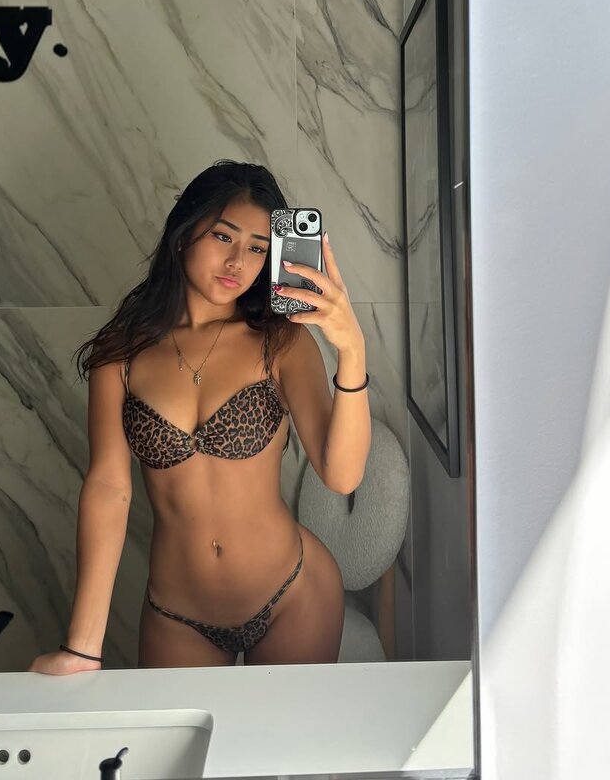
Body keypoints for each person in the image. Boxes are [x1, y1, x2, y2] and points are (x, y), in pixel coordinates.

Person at [29, 160, 372, 672]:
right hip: (178, 616)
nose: (237, 261)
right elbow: (108, 488)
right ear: (183, 233)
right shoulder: (120, 354)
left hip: (292, 594)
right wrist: (82, 647)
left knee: (283, 730)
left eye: (257, 248)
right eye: (223, 236)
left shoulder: (281, 343)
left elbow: (342, 476)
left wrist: (352, 351)